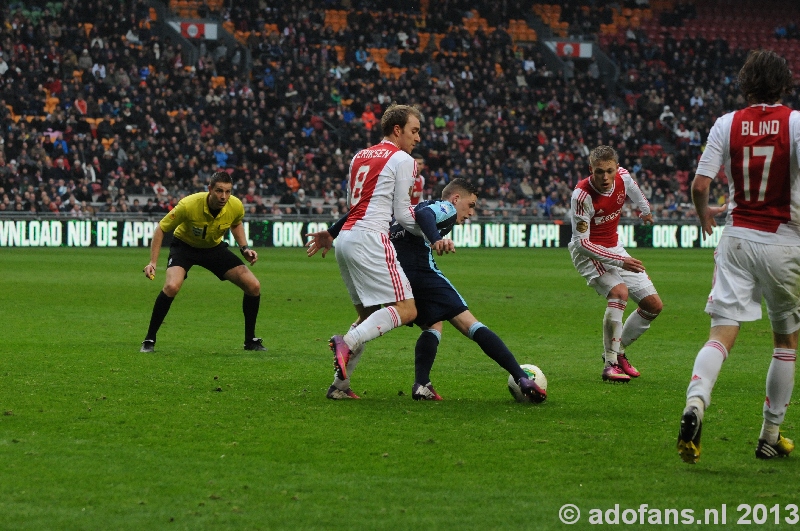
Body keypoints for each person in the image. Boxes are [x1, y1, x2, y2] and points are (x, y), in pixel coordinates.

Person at [677, 50, 799, 464]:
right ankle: (770, 434)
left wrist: (704, 214)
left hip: (736, 239)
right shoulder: (795, 123)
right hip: (785, 242)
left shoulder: (726, 124)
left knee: (720, 332)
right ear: (784, 83)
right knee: (785, 341)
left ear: (746, 83)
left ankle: (695, 403)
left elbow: (699, 185)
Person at [305, 104, 450, 399]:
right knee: (407, 310)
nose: (418, 138)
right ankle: (346, 342)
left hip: (345, 240)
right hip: (371, 238)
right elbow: (404, 216)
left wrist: (331, 232)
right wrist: (433, 234)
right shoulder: (404, 160)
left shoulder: (359, 156)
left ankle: (339, 386)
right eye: (414, 131)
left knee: (368, 314)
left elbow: (355, 207)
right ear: (397, 130)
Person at [389, 177, 546, 402]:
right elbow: (425, 216)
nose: (471, 212)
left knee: (433, 325)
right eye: (470, 205)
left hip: (398, 274)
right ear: (456, 198)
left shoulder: (412, 208)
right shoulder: (446, 208)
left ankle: (422, 384)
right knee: (469, 323)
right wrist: (435, 240)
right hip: (422, 273)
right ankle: (522, 377)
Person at [140, 171, 266, 352]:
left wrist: (244, 248)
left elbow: (236, 224)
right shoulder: (188, 205)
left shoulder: (235, 205)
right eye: (219, 191)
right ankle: (149, 340)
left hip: (213, 249)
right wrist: (153, 262)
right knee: (171, 287)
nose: (223, 196)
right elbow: (161, 228)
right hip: (184, 248)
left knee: (253, 286)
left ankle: (250, 341)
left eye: (228, 191)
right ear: (209, 189)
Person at [568, 145, 663, 383]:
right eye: (599, 171)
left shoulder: (623, 177)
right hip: (589, 252)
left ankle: (618, 352)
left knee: (653, 306)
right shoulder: (582, 196)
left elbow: (635, 191)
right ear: (591, 169)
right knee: (619, 292)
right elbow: (581, 244)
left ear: (616, 168)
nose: (605, 177)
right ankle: (610, 364)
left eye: (609, 171)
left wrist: (645, 211)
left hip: (614, 247)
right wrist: (621, 261)